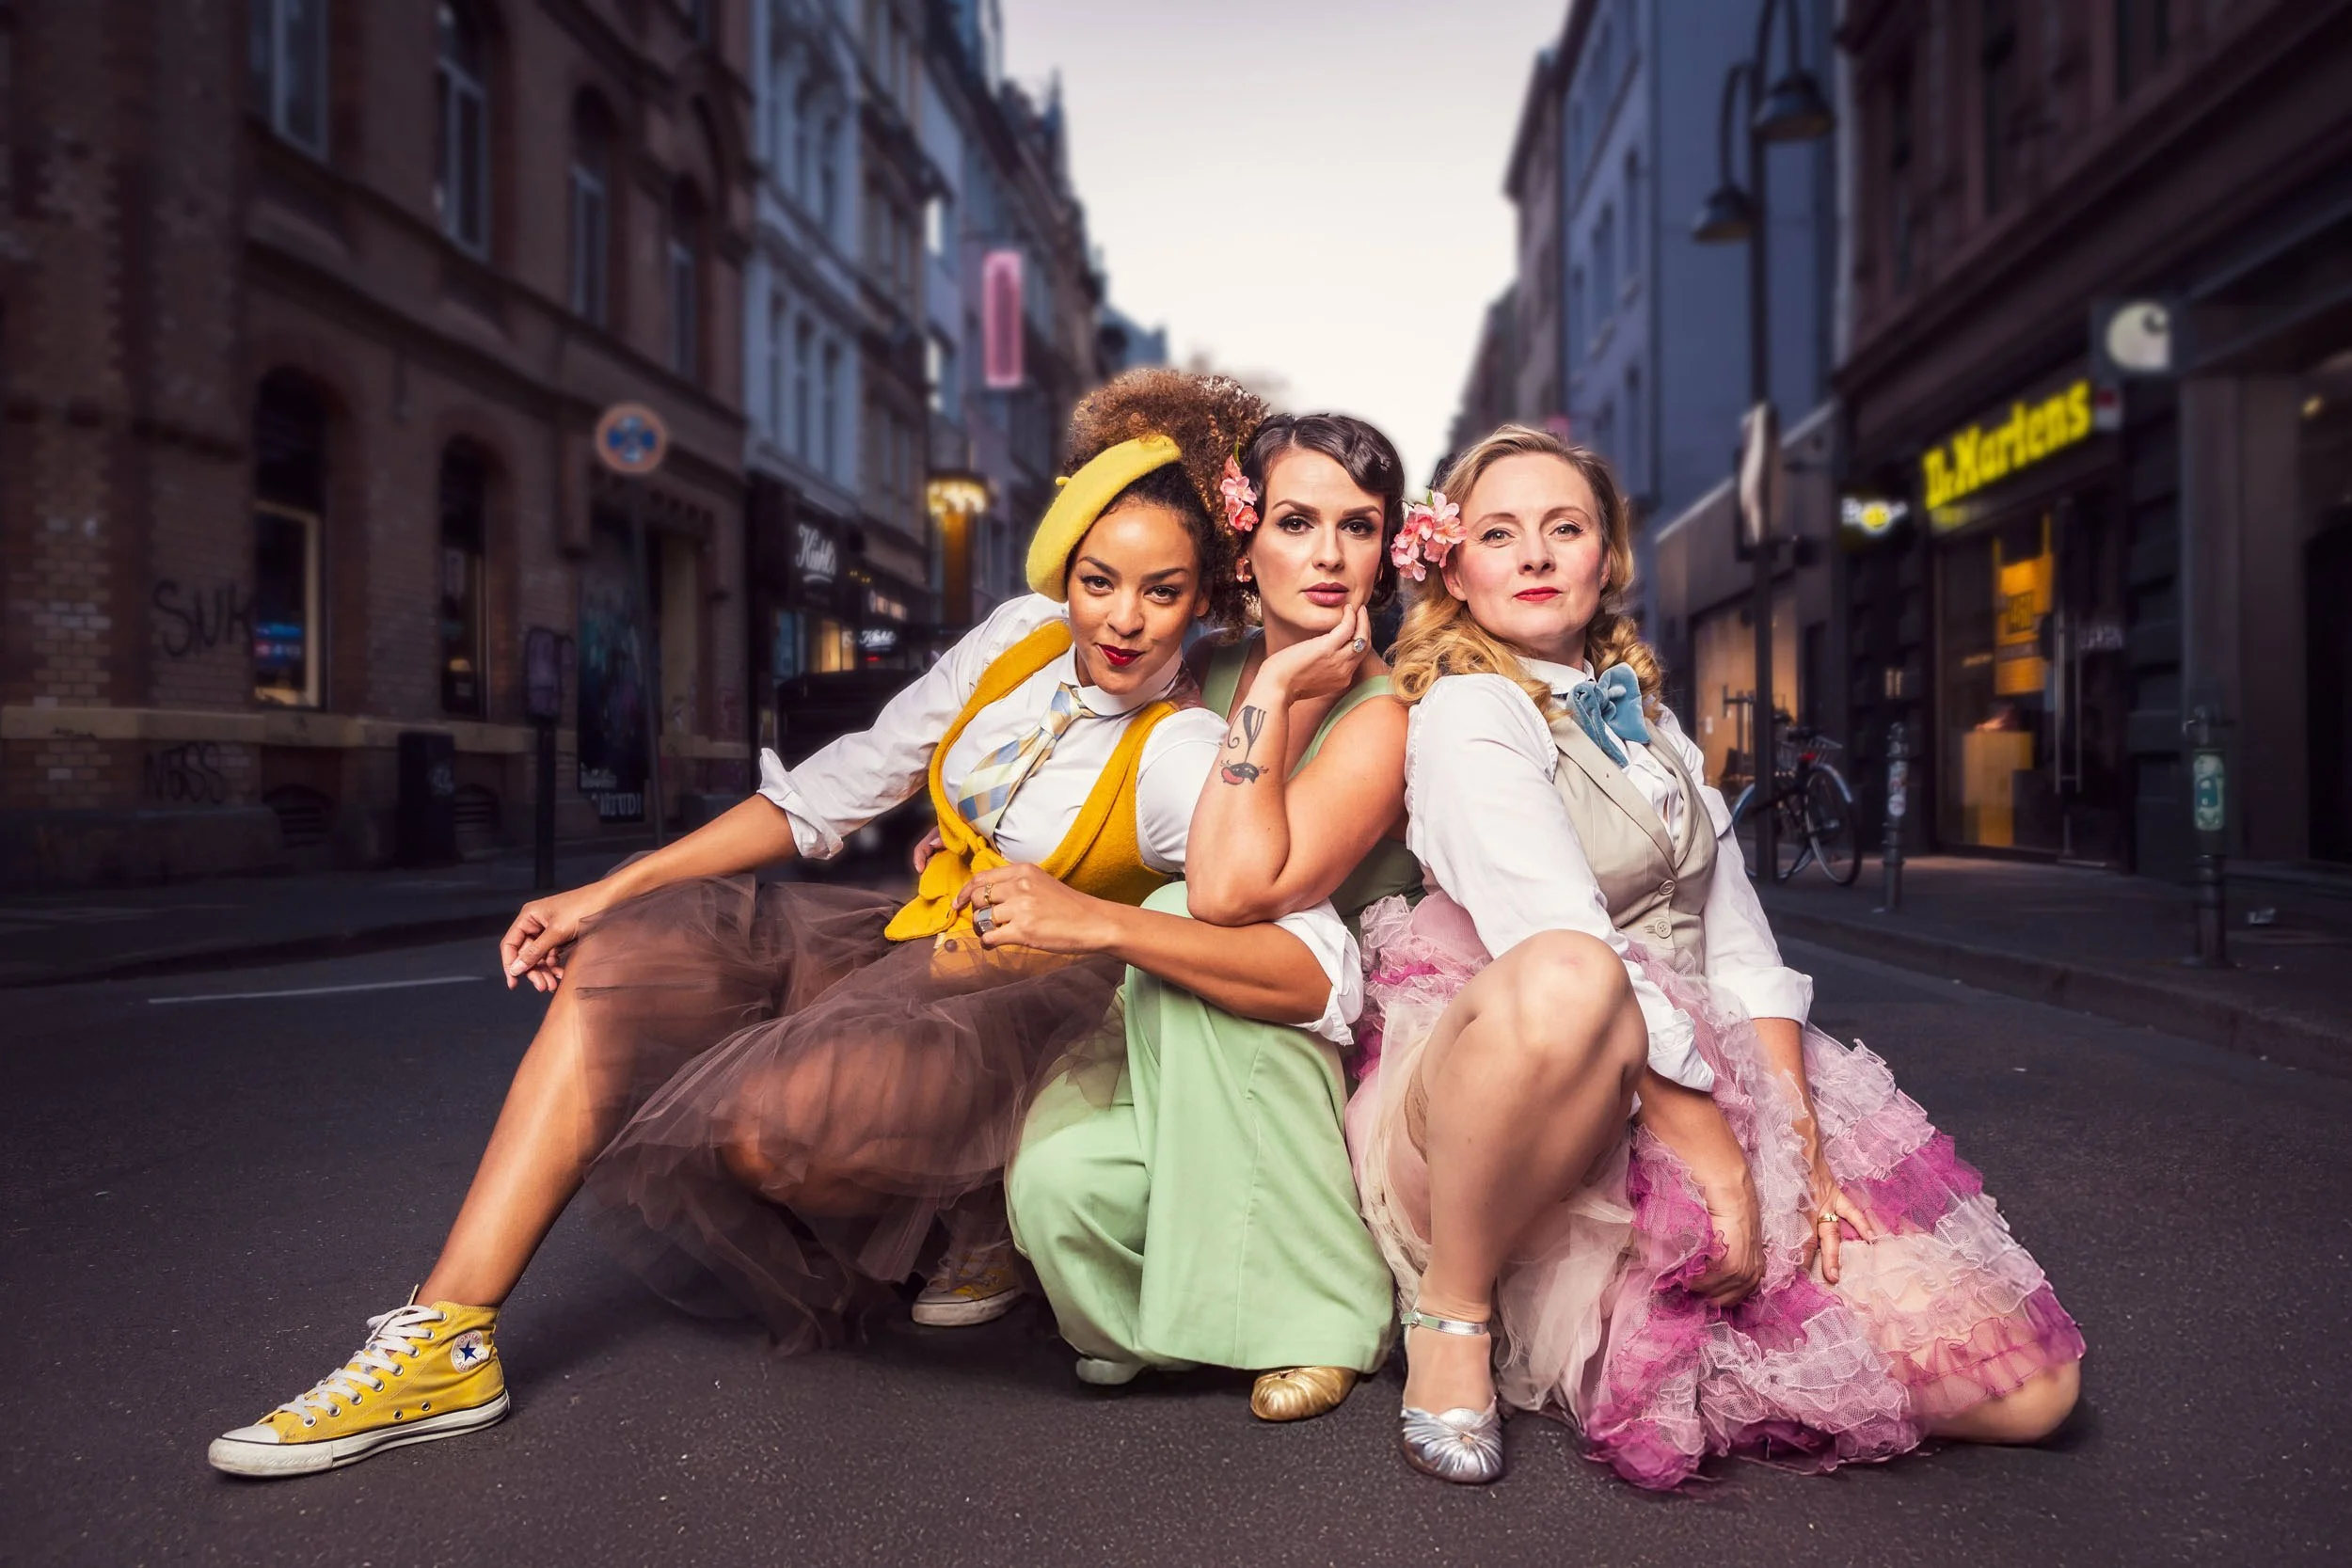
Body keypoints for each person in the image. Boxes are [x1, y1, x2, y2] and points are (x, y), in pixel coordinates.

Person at [207, 371, 1364, 1479]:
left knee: (765, 1133)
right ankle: (445, 1335)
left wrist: (1133, 870)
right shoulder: (1015, 635)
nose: (1120, 620)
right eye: (1098, 579)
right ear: (1062, 567)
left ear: (1205, 595)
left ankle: (978, 1197)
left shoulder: (1175, 755)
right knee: (625, 960)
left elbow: (1263, 914)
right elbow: (837, 783)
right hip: (898, 939)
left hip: (1017, 1002)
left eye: (1163, 592)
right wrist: (609, 887)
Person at [1312, 423, 2084, 1487]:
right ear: (1451, 562)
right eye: (1498, 532)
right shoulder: (1466, 709)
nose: (1535, 555)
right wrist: (1719, 1156)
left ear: (1606, 557)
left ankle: (1723, 1342)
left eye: (1563, 527)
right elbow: (1560, 935)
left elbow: (1740, 947)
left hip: (1695, 1061)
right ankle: (1455, 1308)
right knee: (1576, 973)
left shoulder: (1655, 729)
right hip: (1519, 1093)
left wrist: (1796, 1147)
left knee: (2029, 1385)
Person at [1009, 413, 1419, 1422]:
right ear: (1246, 543)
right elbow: (1104, 783)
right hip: (1180, 988)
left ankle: (1320, 1310)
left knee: (1175, 920)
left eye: (1357, 526)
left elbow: (1229, 892)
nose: (1326, 554)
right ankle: (1170, 1320)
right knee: (1058, 1183)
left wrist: (1278, 685)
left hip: (1311, 1009)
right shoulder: (1206, 661)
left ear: (1388, 547)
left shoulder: (1382, 712)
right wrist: (989, 845)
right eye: (1294, 521)